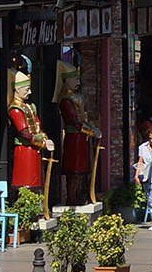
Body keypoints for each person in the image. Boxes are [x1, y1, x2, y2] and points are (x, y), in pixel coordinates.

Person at [55, 61, 99, 206]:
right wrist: (90, 131)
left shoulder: (77, 97)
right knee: (74, 170)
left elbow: (84, 117)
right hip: (73, 137)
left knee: (82, 170)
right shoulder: (66, 100)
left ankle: (79, 194)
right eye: (74, 79)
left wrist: (93, 128)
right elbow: (74, 121)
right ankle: (72, 197)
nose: (77, 82)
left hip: (82, 138)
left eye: (78, 79)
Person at [8, 57, 54, 191]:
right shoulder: (15, 110)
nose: (30, 92)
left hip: (34, 150)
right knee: (25, 184)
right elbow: (25, 133)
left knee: (36, 183)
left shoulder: (29, 106)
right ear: (17, 90)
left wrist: (45, 138)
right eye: (26, 89)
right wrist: (42, 143)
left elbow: (37, 125)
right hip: (24, 150)